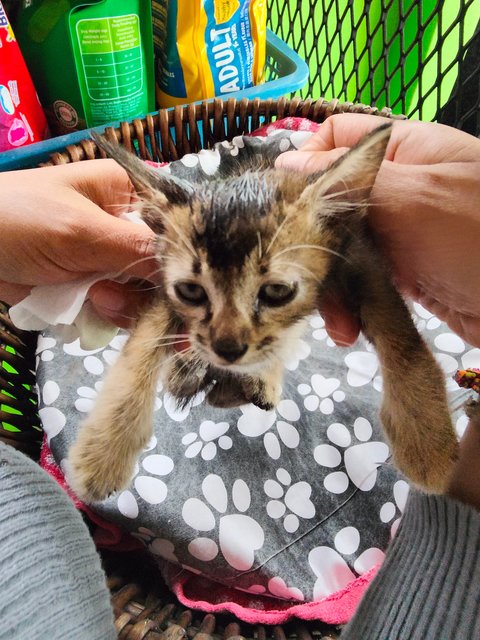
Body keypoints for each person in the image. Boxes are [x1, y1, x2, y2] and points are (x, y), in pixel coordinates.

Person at [0, 113, 479, 638]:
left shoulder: (331, 232)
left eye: (271, 292)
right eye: (195, 293)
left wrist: (417, 403)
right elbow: (156, 316)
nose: (226, 340)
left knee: (367, 303)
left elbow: (397, 334)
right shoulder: (176, 244)